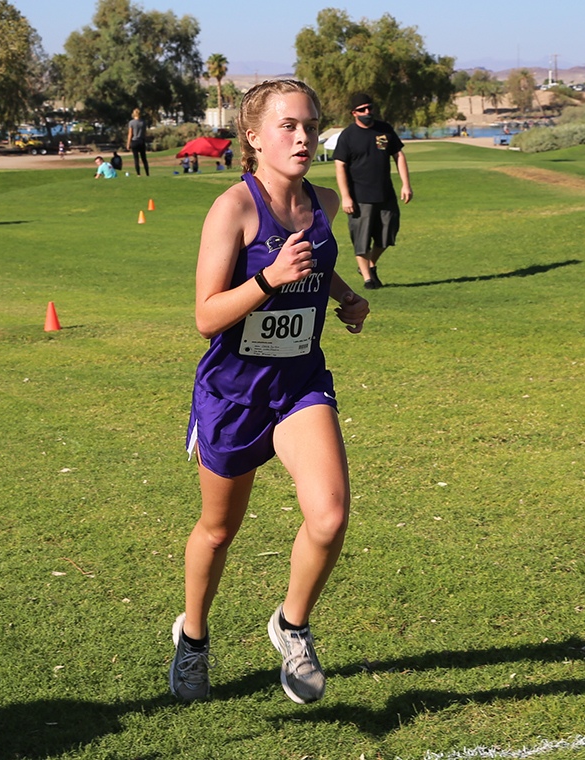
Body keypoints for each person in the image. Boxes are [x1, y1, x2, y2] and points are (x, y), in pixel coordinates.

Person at [170, 79, 369, 705]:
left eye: (310, 124)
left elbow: (316, 261)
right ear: (254, 138)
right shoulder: (233, 209)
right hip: (233, 393)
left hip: (299, 384)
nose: (304, 137)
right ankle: (193, 639)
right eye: (288, 126)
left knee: (330, 514)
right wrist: (268, 277)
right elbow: (206, 315)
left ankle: (292, 625)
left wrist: (344, 296)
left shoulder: (322, 206)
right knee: (218, 529)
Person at [334, 93, 412, 290]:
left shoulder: (384, 129)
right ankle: (368, 279)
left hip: (386, 194)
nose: (367, 112)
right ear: (354, 113)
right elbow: (340, 166)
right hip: (360, 199)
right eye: (362, 110)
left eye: (369, 108)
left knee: (387, 235)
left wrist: (406, 184)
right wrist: (345, 197)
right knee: (361, 241)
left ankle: (370, 263)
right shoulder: (348, 136)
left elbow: (398, 155)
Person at [127, 107, 150, 176]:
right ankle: (147, 173)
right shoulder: (143, 122)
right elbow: (145, 132)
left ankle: (138, 174)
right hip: (142, 141)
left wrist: (128, 143)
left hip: (134, 141)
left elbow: (130, 134)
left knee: (136, 159)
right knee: (144, 158)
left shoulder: (131, 122)